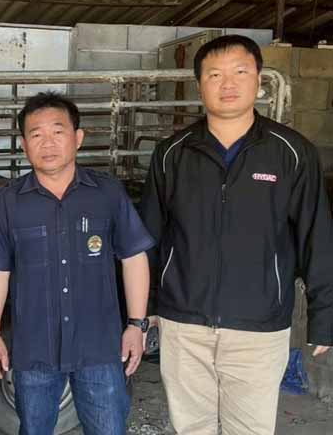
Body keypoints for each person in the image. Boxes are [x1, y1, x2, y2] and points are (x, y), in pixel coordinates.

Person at [141, 35, 333, 435]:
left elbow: (317, 236)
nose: (227, 83)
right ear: (200, 85)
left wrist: (324, 317)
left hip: (259, 325)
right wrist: (148, 307)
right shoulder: (173, 153)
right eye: (215, 75)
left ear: (258, 80)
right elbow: (152, 236)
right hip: (184, 323)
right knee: (191, 427)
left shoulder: (291, 152)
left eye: (240, 72)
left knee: (249, 428)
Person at [0, 91, 154, 435]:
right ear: (24, 145)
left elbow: (134, 257)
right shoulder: (9, 202)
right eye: (36, 134)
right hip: (34, 349)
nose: (48, 143)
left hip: (99, 347)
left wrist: (137, 324)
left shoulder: (107, 193)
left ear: (78, 138)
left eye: (58, 132)